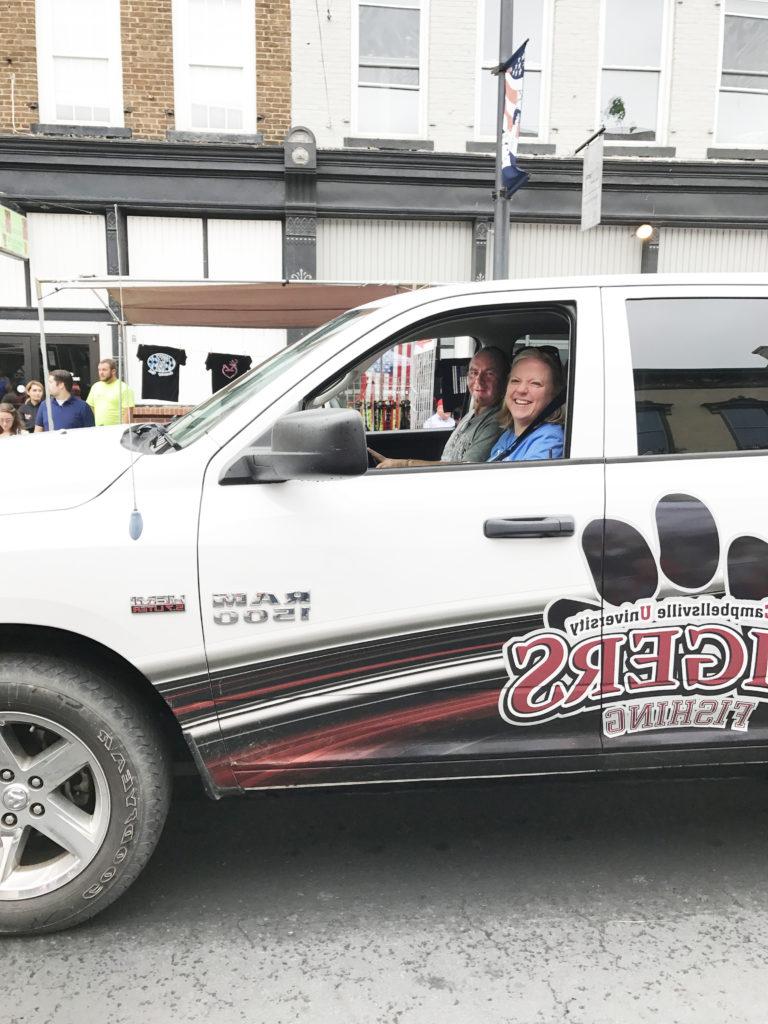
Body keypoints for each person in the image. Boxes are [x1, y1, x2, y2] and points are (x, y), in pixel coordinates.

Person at [371, 347, 509, 469]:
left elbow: (464, 471)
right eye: (473, 372)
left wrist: (404, 464)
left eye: (489, 374)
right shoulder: (472, 414)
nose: (478, 380)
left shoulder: (497, 422)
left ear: (504, 380)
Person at [488, 347, 565, 463]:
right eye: (515, 381)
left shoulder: (549, 439)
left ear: (554, 396)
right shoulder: (508, 436)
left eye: (535, 383)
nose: (521, 389)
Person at [86, 358, 135, 426]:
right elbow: (91, 407)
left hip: (116, 432)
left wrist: (123, 431)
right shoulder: (95, 386)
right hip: (98, 430)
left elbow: (128, 413)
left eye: (104, 370)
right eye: (99, 370)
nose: (101, 373)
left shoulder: (124, 388)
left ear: (113, 371)